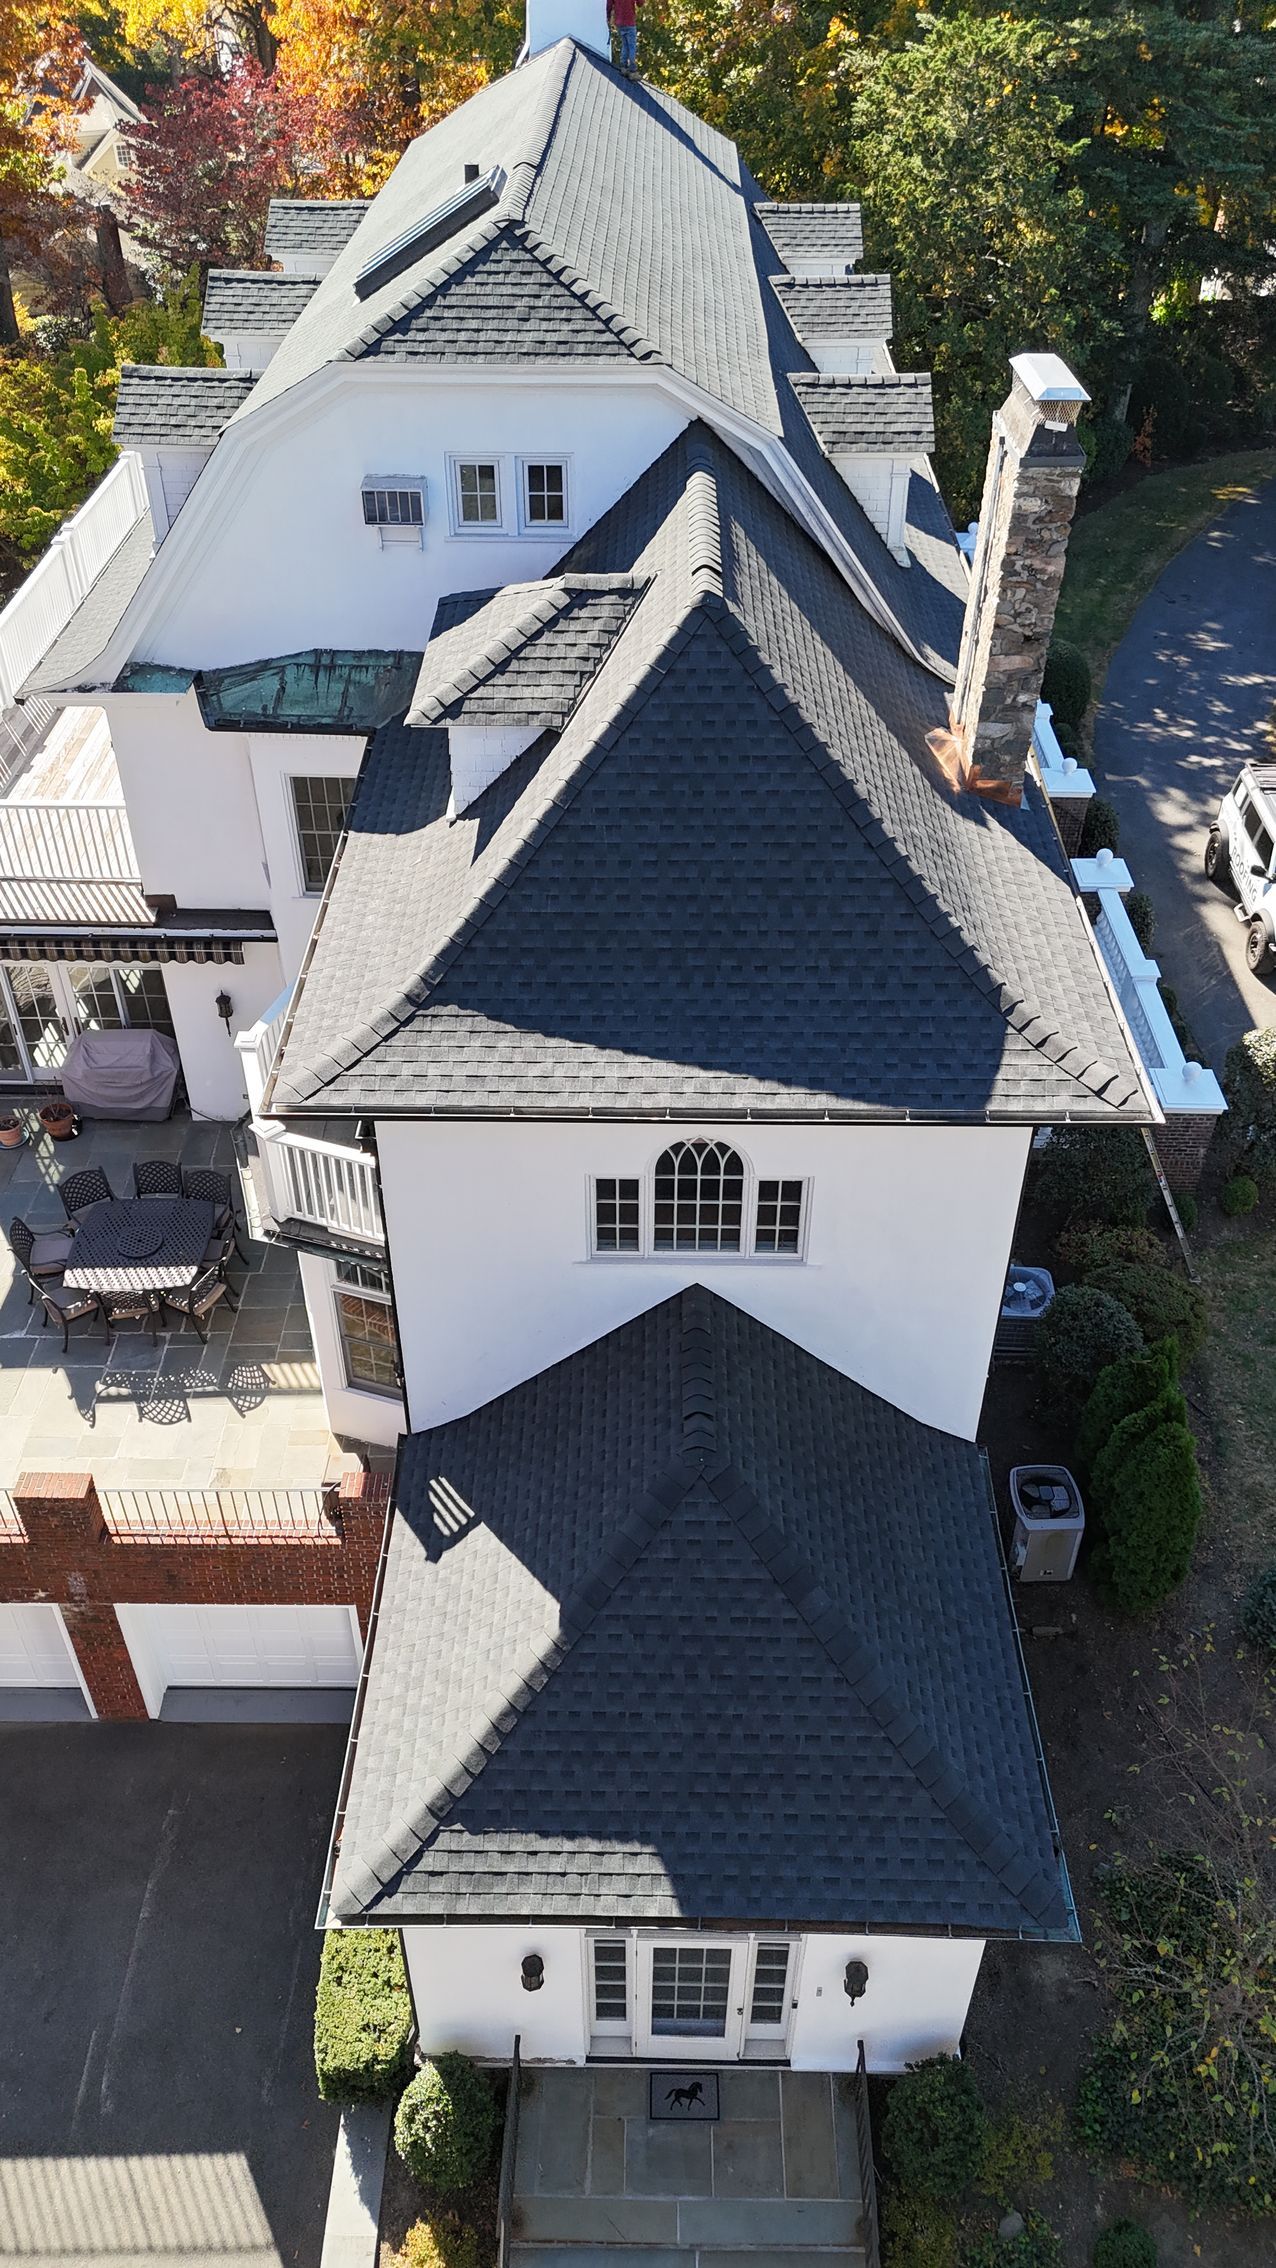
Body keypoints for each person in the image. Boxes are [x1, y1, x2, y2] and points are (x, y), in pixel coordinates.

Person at [606, 0, 643, 76]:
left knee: (625, 44)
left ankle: (623, 67)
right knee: (631, 46)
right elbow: (640, 3)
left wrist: (608, 17)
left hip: (619, 22)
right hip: (630, 22)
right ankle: (632, 70)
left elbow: (609, 5)